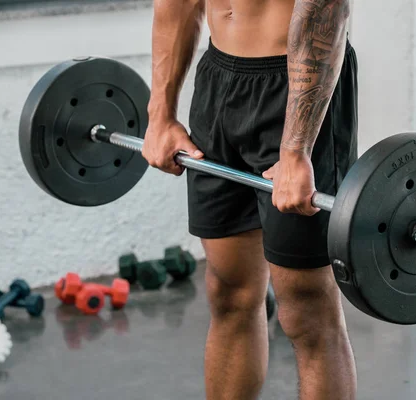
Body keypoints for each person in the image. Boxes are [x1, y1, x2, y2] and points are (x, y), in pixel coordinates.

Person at [142, 0, 358, 399]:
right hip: (219, 80)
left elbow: (327, 10)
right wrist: (160, 113)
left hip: (296, 89)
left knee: (308, 310)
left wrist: (296, 150)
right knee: (229, 291)